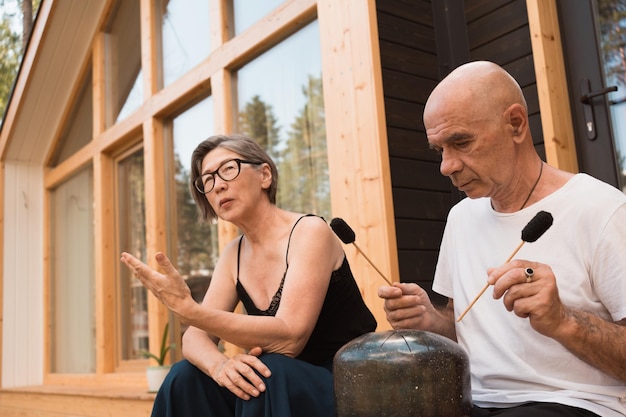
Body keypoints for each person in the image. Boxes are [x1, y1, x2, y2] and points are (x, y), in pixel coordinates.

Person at [378, 61, 626, 417]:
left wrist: (563, 320)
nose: (447, 166)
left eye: (460, 142)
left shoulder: (601, 209)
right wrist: (429, 321)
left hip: (576, 403)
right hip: (474, 404)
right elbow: (463, 328)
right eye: (439, 150)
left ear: (516, 124)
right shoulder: (461, 217)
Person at [121, 134, 377, 417]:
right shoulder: (234, 255)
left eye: (228, 169)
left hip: (343, 384)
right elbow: (194, 338)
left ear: (264, 175)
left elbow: (291, 338)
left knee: (265, 371)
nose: (217, 185)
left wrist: (189, 310)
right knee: (186, 377)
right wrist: (220, 365)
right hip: (275, 382)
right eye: (207, 180)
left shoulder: (309, 231)